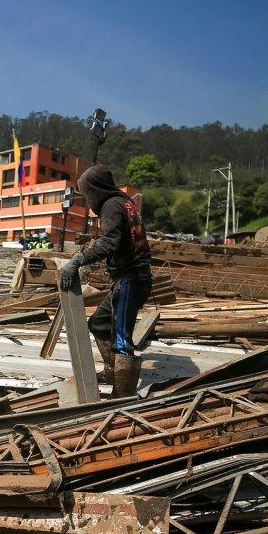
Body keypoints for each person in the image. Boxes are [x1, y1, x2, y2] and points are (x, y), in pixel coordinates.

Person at [57, 164, 153, 397]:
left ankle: (122, 396)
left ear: (96, 190)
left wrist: (77, 260)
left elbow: (110, 243)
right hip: (129, 277)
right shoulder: (123, 202)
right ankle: (112, 370)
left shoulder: (111, 206)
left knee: (122, 339)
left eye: (87, 193)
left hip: (131, 278)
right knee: (99, 323)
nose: (88, 200)